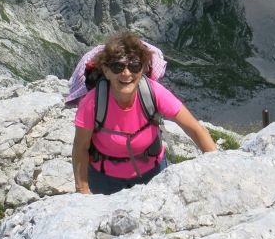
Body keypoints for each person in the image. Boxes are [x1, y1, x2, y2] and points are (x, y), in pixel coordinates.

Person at [72, 32, 217, 195]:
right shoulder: (92, 103)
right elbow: (80, 147)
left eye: (134, 66)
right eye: (117, 66)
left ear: (143, 69)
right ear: (106, 71)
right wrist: (82, 189)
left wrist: (218, 166)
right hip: (104, 179)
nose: (126, 73)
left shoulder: (153, 92)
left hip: (152, 173)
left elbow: (194, 129)